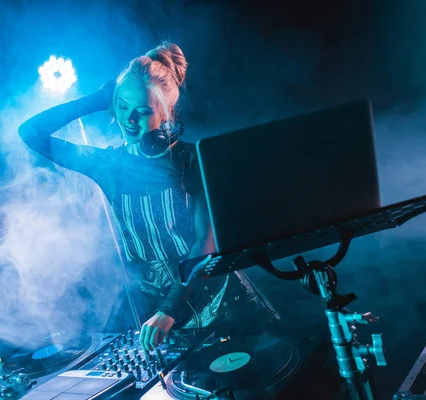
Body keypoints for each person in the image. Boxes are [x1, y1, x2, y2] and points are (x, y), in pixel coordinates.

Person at [18, 42, 279, 352]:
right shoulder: (106, 166)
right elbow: (31, 132)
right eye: (122, 107)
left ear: (166, 114)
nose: (129, 119)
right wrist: (99, 99)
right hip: (160, 320)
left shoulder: (194, 160)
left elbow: (205, 246)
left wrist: (170, 310)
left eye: (142, 111)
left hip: (219, 307)